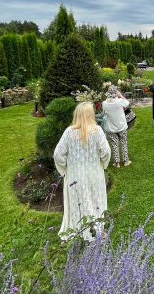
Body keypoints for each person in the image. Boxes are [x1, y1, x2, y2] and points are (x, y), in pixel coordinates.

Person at [54, 101, 111, 241]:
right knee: (96, 201)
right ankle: (96, 229)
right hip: (94, 174)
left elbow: (58, 154)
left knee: (79, 202)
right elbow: (106, 152)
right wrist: (102, 163)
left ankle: (79, 229)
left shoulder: (69, 132)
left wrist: (66, 167)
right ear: (90, 114)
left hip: (75, 176)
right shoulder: (97, 131)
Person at [102, 85, 131, 167]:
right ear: (116, 93)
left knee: (114, 145)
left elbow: (104, 112)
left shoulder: (104, 103)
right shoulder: (120, 101)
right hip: (121, 126)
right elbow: (128, 103)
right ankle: (126, 161)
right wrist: (120, 95)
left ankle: (116, 163)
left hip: (111, 127)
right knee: (124, 143)